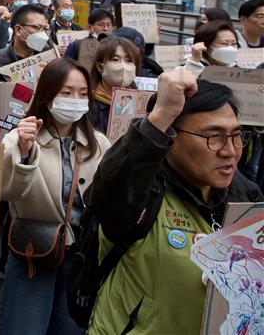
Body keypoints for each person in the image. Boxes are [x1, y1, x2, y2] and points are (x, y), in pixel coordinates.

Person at [87, 70, 262, 334]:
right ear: (172, 136)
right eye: (213, 137)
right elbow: (108, 191)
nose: (230, 151)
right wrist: (160, 116)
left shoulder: (247, 198)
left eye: (237, 136)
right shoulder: (142, 192)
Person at [0, 58, 110, 335]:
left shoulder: (99, 144)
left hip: (81, 259)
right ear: (47, 95)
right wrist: (24, 153)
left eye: (83, 94)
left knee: (70, 328)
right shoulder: (19, 138)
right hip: (33, 254)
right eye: (66, 92)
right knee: (23, 328)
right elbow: (5, 191)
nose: (76, 100)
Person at [87, 37, 141, 134]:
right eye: (115, 60)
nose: (123, 66)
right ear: (100, 67)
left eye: (129, 60)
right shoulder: (88, 105)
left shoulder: (139, 103)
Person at [0, 4, 54, 71]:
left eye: (45, 29)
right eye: (38, 27)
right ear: (18, 29)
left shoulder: (50, 60)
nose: (42, 33)